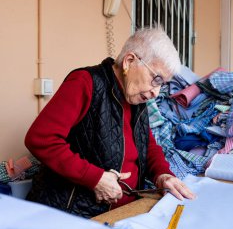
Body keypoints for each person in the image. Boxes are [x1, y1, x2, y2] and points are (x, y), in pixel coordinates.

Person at [25, 27, 195, 218]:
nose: (156, 92)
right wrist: (95, 178)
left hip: (125, 211)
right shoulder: (85, 82)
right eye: (156, 79)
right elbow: (40, 138)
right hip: (76, 213)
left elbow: (147, 144)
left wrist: (163, 175)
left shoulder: (136, 97)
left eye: (162, 84)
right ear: (129, 61)